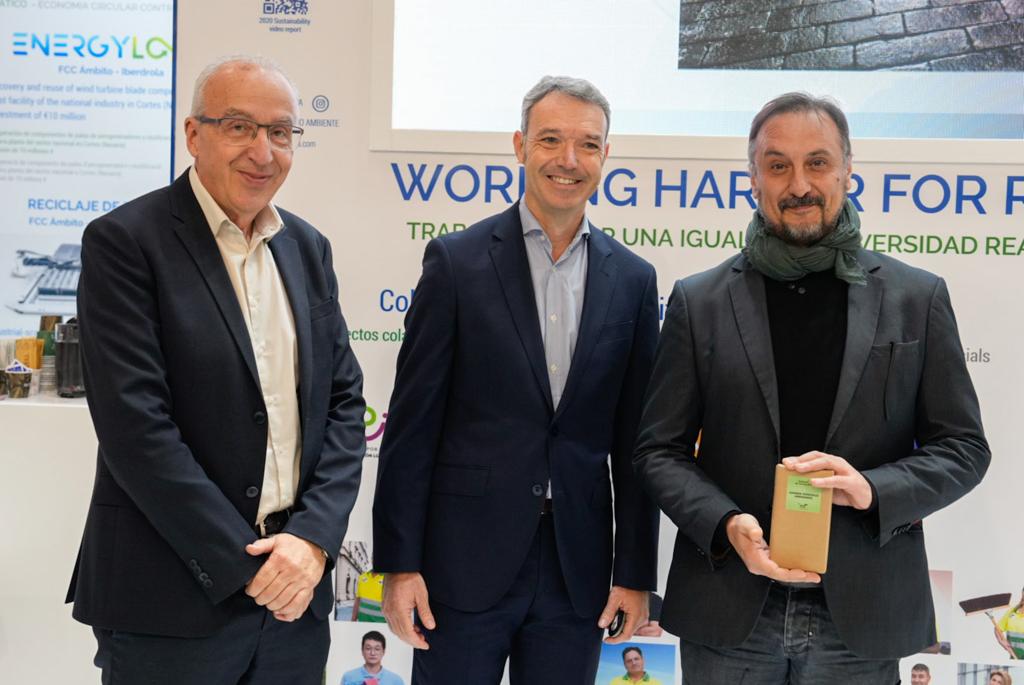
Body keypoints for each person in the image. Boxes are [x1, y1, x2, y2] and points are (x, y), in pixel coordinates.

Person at [634, 92, 990, 684]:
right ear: (753, 179)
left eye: (817, 162)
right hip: (730, 606)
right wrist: (726, 524)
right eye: (778, 165)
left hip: (861, 616)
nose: (799, 184)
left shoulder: (916, 297)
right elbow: (658, 449)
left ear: (848, 170)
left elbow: (964, 449)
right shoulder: (699, 302)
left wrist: (872, 490)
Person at [66, 55, 366, 684]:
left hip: (293, 600)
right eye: (239, 127)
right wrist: (248, 567)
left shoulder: (307, 248)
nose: (263, 151)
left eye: (280, 132)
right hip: (172, 600)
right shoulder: (125, 242)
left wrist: (312, 540)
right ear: (193, 134)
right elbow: (137, 431)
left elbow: (343, 403)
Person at [372, 75, 660, 684]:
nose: (568, 159)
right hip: (461, 565)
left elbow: (637, 444)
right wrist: (399, 564)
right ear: (519, 145)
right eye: (550, 139)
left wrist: (635, 573)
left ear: (606, 155)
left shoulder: (634, 281)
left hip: (577, 573)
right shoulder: (456, 263)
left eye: (587, 144)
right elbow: (412, 427)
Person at [995, 586, 1024, 659]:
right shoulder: (1012, 612)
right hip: (1015, 658)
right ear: (1022, 593)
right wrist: (1001, 641)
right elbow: (998, 629)